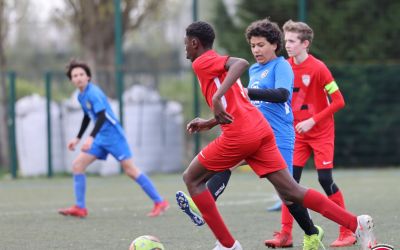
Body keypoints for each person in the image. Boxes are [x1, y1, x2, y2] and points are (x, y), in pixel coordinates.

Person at [179, 20, 376, 250]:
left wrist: (215, 99)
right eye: (253, 45)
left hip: (253, 134)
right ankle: (356, 223)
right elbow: (239, 102)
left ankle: (228, 245)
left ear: (194, 43)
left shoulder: (204, 61)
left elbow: (243, 67)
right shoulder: (248, 69)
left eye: (185, 43)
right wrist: (211, 121)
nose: (256, 50)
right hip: (259, 130)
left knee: (192, 179)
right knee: (291, 191)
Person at [275, 19, 356, 247]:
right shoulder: (284, 67)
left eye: (292, 41)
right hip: (297, 134)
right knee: (288, 183)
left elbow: (339, 101)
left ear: (305, 44)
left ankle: (348, 231)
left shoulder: (318, 68)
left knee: (325, 179)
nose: (287, 44)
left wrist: (313, 120)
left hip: (321, 132)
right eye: (286, 40)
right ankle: (285, 234)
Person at [58, 60, 169, 218]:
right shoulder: (81, 96)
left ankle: (160, 202)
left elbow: (102, 116)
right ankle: (80, 208)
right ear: (71, 80)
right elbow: (88, 116)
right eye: (74, 75)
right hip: (100, 138)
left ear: (88, 76)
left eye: (81, 74)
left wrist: (89, 138)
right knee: (77, 165)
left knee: (130, 170)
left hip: (114, 136)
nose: (78, 77)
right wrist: (77, 138)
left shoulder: (93, 93)